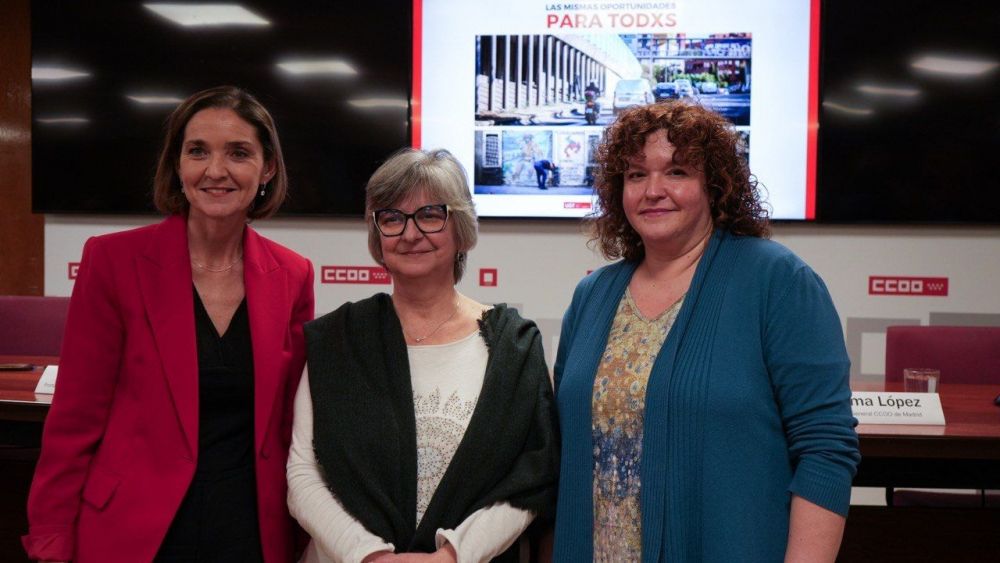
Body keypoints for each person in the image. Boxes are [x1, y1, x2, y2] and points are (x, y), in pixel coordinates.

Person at [552, 100, 860, 562]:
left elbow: (825, 450)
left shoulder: (777, 282)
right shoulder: (593, 295)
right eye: (636, 175)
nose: (653, 190)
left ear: (715, 186)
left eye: (676, 172)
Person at [23, 86, 315, 562]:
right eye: (197, 150)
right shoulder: (112, 261)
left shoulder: (293, 274)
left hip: (249, 532)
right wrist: (51, 535)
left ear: (267, 169)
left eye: (238, 153)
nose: (215, 170)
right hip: (132, 531)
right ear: (177, 165)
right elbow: (75, 419)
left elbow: (289, 425)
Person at [287, 148, 558, 563]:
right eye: (392, 218)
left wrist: (451, 557)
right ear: (377, 235)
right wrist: (371, 556)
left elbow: (531, 475)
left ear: (462, 228)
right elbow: (304, 474)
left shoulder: (513, 345)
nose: (410, 234)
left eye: (430, 214)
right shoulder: (337, 339)